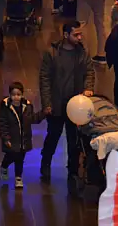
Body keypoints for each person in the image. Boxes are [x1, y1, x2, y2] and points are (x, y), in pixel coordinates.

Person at [39, 21, 96, 186]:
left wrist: (88, 88)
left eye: (80, 34)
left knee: (74, 141)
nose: (79, 37)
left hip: (76, 107)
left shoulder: (82, 53)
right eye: (75, 34)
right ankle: (46, 162)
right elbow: (45, 80)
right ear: (65, 35)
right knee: (53, 136)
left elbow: (89, 72)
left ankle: (72, 170)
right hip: (57, 104)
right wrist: (47, 103)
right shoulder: (52, 53)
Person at [0, 81, 46, 189]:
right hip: (11, 138)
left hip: (23, 139)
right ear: (9, 95)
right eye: (13, 95)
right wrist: (5, 138)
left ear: (22, 95)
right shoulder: (5, 108)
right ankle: (4, 166)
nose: (16, 97)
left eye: (18, 95)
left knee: (20, 158)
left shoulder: (27, 107)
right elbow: (2, 123)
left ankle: (18, 177)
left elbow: (33, 119)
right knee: (10, 156)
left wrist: (43, 114)